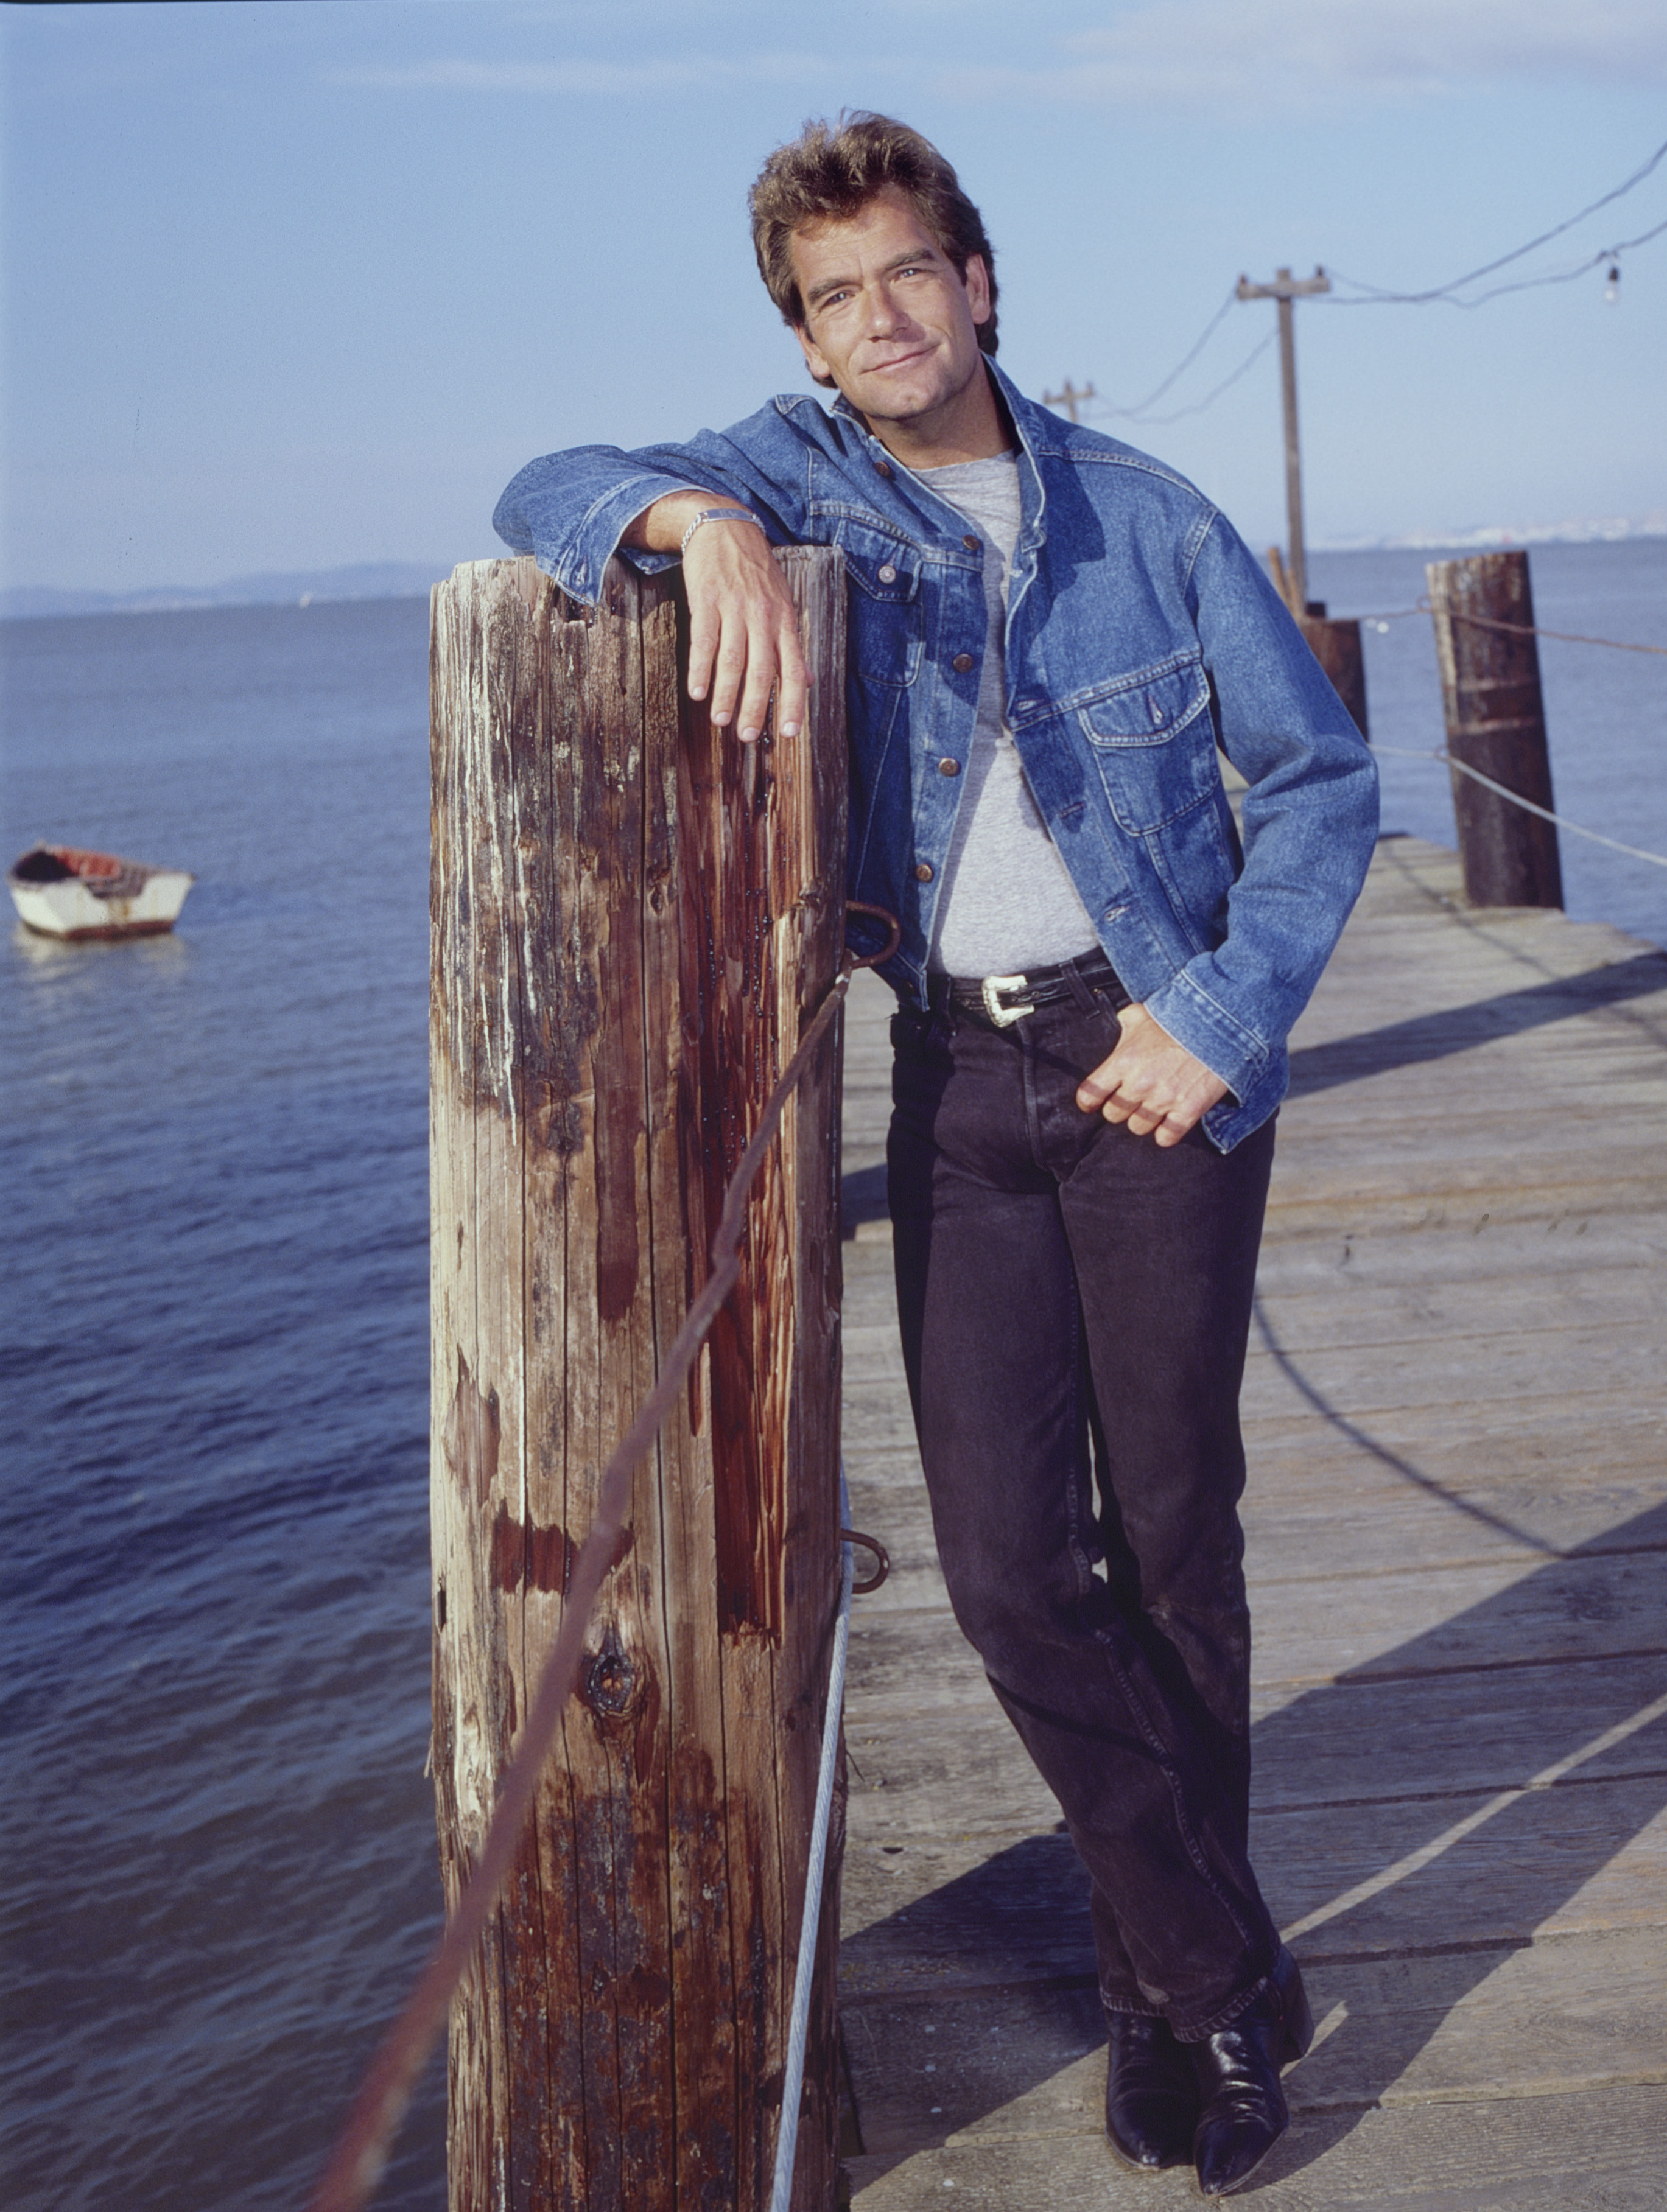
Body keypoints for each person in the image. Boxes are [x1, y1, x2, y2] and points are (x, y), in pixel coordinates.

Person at [494, 112, 1378, 2198]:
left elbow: (1323, 784)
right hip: (955, 1091)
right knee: (1001, 1570)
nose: (879, 320)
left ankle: (1166, 2003)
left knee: (1170, 1547)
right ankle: (1217, 1957)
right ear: (803, 340)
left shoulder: (1145, 522)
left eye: (907, 274)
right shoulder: (794, 477)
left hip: (1144, 1060)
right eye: (832, 299)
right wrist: (691, 525)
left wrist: (1214, 1016)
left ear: (977, 284)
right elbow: (543, 488)